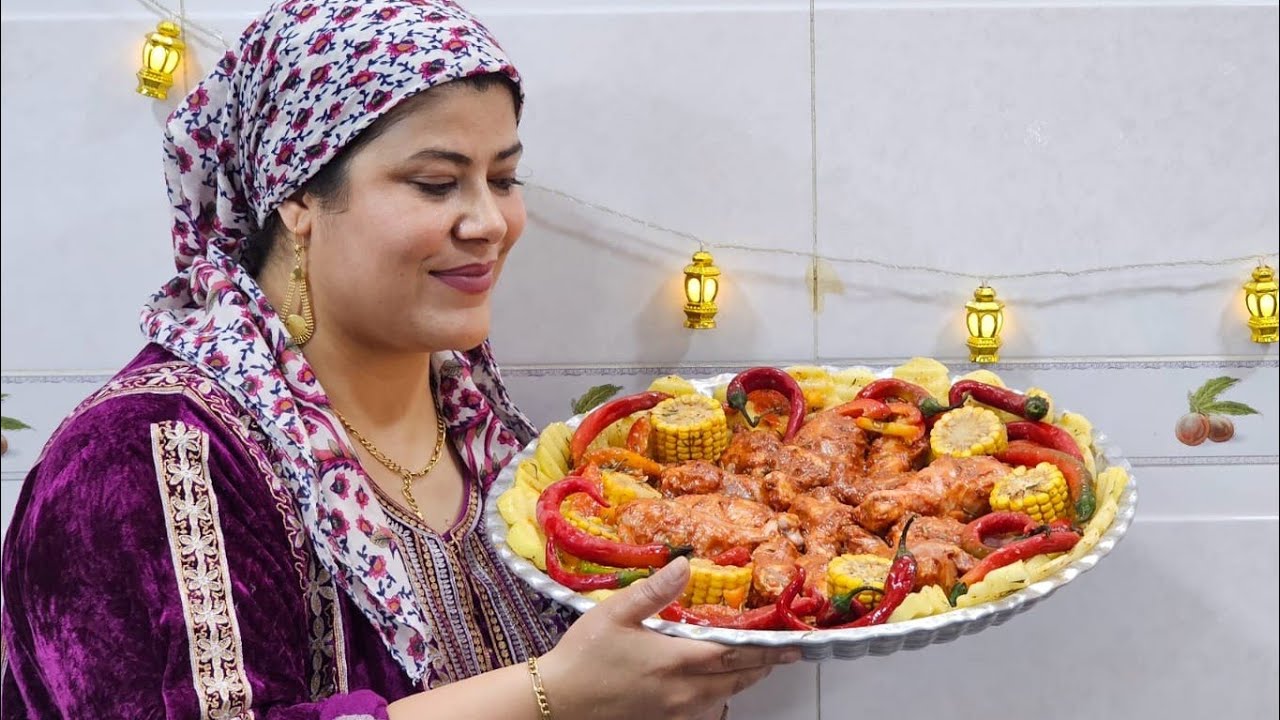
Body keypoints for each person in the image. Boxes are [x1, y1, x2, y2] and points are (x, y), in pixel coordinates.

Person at [0, 1, 800, 718]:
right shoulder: (146, 459)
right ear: (299, 197)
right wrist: (549, 695)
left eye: (504, 177)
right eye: (434, 183)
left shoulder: (480, 423)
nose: (490, 222)